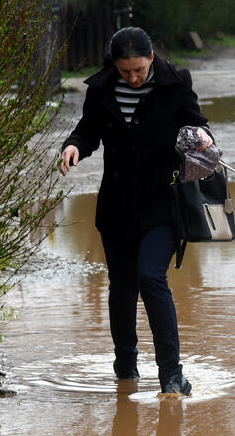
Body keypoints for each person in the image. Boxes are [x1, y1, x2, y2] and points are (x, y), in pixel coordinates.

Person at [59, 27, 213, 395]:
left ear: (151, 58)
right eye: (125, 71)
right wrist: (73, 146)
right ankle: (126, 369)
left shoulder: (176, 82)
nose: (132, 78)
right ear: (115, 64)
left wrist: (203, 138)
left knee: (151, 278)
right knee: (123, 285)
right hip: (117, 205)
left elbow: (198, 124)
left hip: (162, 202)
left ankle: (172, 376)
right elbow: (88, 129)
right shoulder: (102, 87)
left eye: (139, 71)